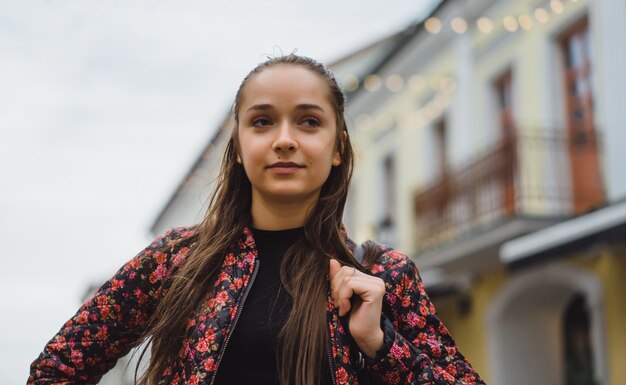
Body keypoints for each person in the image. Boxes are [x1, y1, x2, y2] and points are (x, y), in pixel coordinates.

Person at [29, 54, 485, 385]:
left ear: (339, 147)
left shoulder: (382, 274)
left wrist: (382, 345)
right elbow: (55, 370)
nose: (285, 140)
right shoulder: (178, 261)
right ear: (240, 149)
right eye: (263, 122)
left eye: (308, 122)